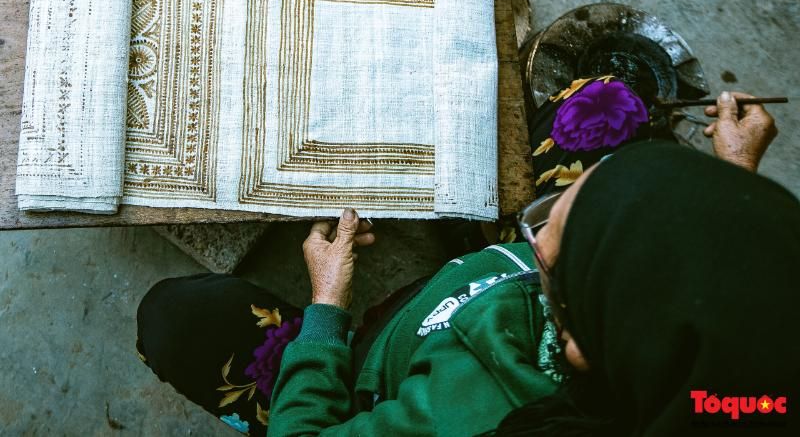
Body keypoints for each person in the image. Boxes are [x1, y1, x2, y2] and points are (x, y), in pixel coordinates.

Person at [135, 90, 793, 436]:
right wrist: (729, 185)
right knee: (604, 101)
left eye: (549, 242)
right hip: (468, 298)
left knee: (174, 319)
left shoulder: (471, 418)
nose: (532, 233)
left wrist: (328, 306)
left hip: (371, 367)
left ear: (578, 345)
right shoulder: (751, 382)